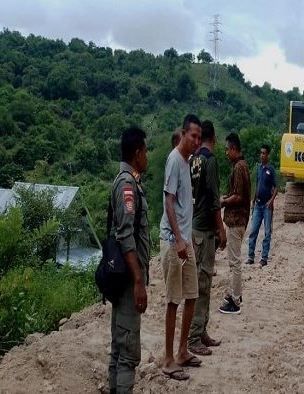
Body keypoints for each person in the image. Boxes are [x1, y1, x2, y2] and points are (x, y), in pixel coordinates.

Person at [159, 114, 202, 380]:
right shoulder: (175, 160)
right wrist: (178, 240)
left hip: (185, 240)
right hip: (174, 241)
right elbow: (168, 202)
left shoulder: (187, 162)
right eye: (193, 136)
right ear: (184, 134)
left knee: (192, 295)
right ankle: (167, 359)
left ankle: (183, 350)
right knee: (174, 300)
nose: (196, 141)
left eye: (199, 137)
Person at [108, 126, 150, 394]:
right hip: (127, 280)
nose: (147, 157)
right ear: (137, 154)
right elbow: (125, 236)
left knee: (118, 348)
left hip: (123, 276)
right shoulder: (127, 185)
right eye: (146, 151)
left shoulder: (129, 180)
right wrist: (138, 281)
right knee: (128, 353)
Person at [188, 120, 226, 356]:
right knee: (202, 285)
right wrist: (221, 229)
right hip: (204, 230)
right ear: (214, 138)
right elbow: (214, 199)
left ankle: (201, 331)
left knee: (202, 283)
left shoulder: (193, 160)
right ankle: (194, 337)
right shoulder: (210, 162)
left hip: (194, 228)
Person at [218, 132, 250, 315]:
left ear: (233, 149)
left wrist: (223, 202)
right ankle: (236, 293)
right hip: (240, 219)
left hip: (236, 220)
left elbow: (238, 196)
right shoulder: (243, 166)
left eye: (227, 149)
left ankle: (235, 299)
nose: (225, 153)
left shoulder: (239, 167)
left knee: (234, 262)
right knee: (235, 260)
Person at [246, 144, 277, 268]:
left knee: (267, 232)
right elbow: (257, 185)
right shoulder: (258, 168)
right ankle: (250, 256)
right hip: (258, 205)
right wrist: (253, 201)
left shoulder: (271, 170)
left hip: (267, 206)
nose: (262, 155)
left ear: (268, 155)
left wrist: (271, 200)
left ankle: (264, 258)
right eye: (261, 153)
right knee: (253, 230)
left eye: (264, 153)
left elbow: (276, 188)